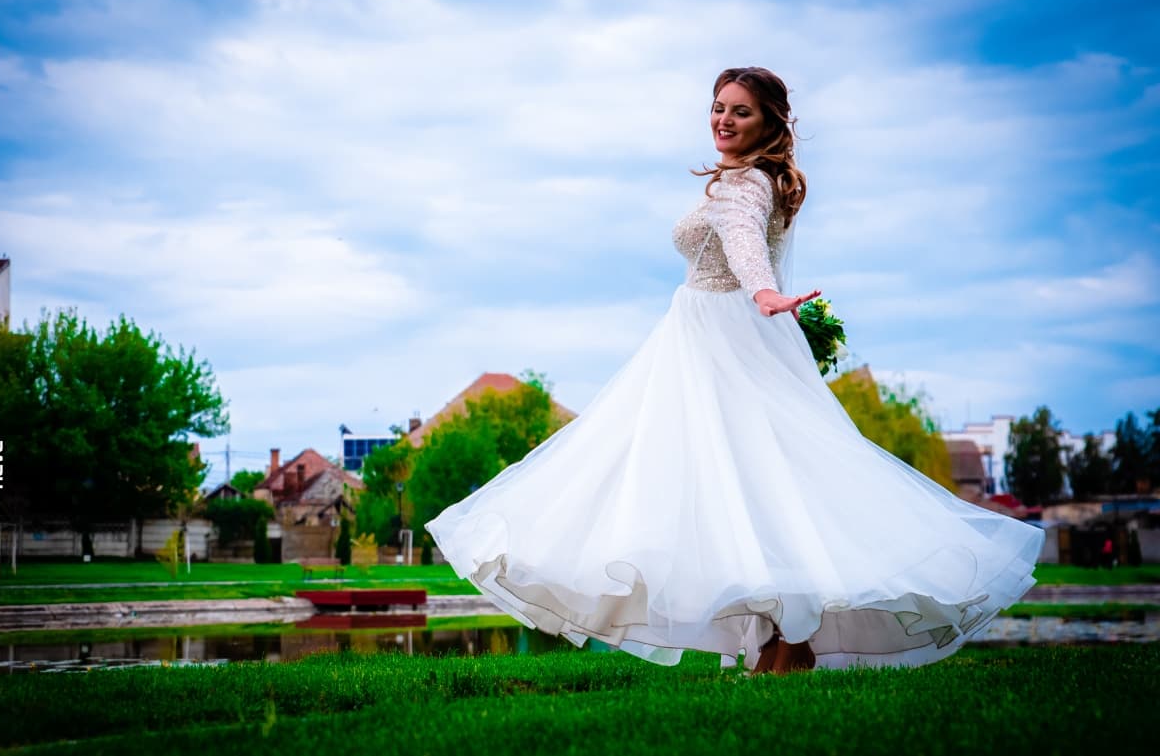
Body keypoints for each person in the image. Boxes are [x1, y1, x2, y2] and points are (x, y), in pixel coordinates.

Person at [425, 67, 1045, 676]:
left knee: (735, 480)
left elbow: (747, 243)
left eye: (740, 111)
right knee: (757, 486)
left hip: (722, 336)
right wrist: (765, 298)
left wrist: (764, 294)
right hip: (718, 335)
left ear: (769, 121)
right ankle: (782, 641)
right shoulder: (755, 179)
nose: (723, 119)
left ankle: (789, 638)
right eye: (717, 108)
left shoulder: (743, 185)